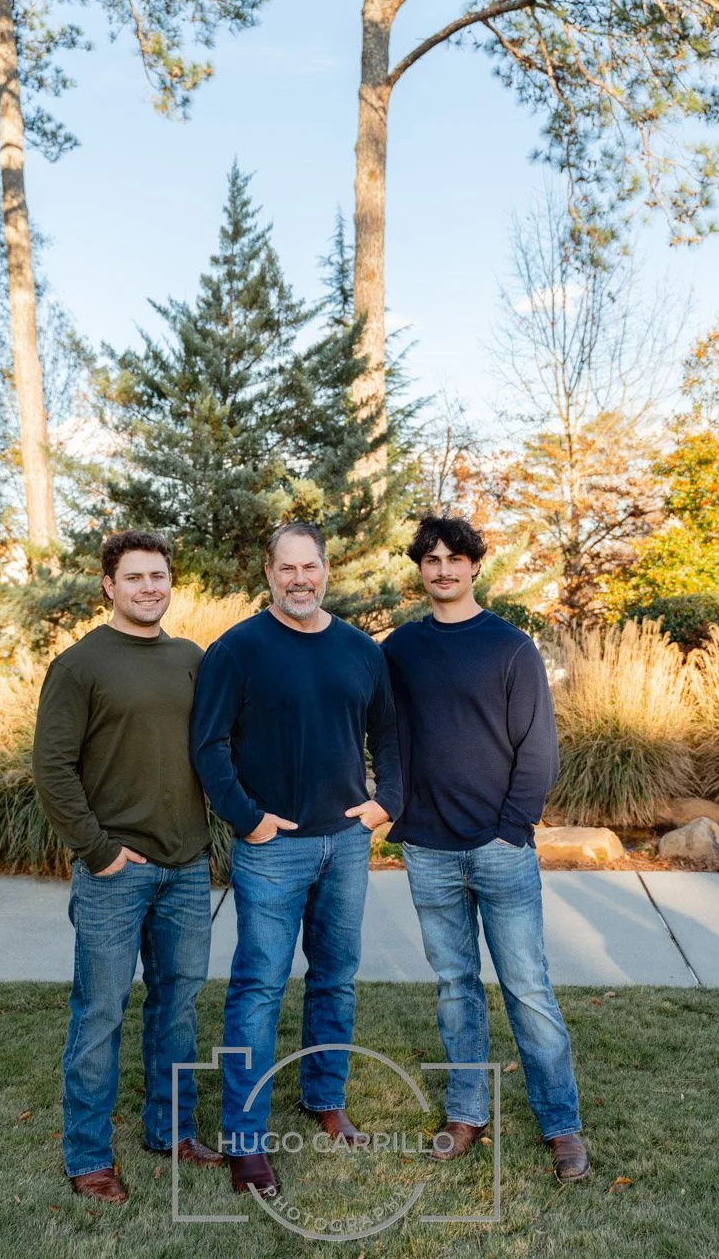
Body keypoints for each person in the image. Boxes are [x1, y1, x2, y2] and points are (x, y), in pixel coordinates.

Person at [191, 522, 402, 1197]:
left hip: (345, 844)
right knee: (259, 988)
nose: (299, 579)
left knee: (336, 976)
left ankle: (325, 1098)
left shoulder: (360, 650)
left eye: (309, 567)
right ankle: (245, 1141)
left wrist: (384, 803)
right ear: (269, 574)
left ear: (327, 570)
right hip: (272, 849)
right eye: (287, 569)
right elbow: (208, 746)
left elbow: (391, 736)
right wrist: (247, 819)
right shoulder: (238, 649)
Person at [381, 513, 590, 1182]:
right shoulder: (399, 650)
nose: (442, 569)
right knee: (454, 989)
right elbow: (377, 731)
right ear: (421, 569)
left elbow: (538, 750)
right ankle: (466, 1114)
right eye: (431, 560)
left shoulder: (510, 647)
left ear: (474, 565)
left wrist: (512, 828)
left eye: (454, 559)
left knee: (528, 990)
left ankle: (562, 1127)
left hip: (500, 849)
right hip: (429, 849)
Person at [33, 530, 223, 1204]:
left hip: (185, 867)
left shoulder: (191, 659)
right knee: (101, 1015)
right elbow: (51, 768)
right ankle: (88, 1157)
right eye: (136, 577)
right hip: (116, 872)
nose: (150, 587)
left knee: (176, 1010)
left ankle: (170, 1130)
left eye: (160, 576)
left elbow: (218, 747)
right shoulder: (81, 665)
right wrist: (99, 850)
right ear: (109, 585)